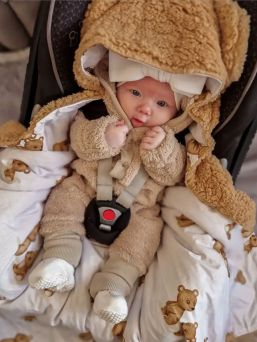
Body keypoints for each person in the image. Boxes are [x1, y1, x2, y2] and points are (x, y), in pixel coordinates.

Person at [28, 52, 189, 324]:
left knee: (145, 236)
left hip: (138, 207)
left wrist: (161, 149)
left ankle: (113, 286)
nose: (145, 108)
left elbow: (173, 174)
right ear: (116, 87)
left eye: (161, 103)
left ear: (177, 112)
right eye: (135, 92)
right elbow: (78, 140)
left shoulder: (170, 139)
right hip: (87, 186)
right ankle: (60, 259)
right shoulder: (98, 113)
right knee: (65, 198)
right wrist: (104, 137)